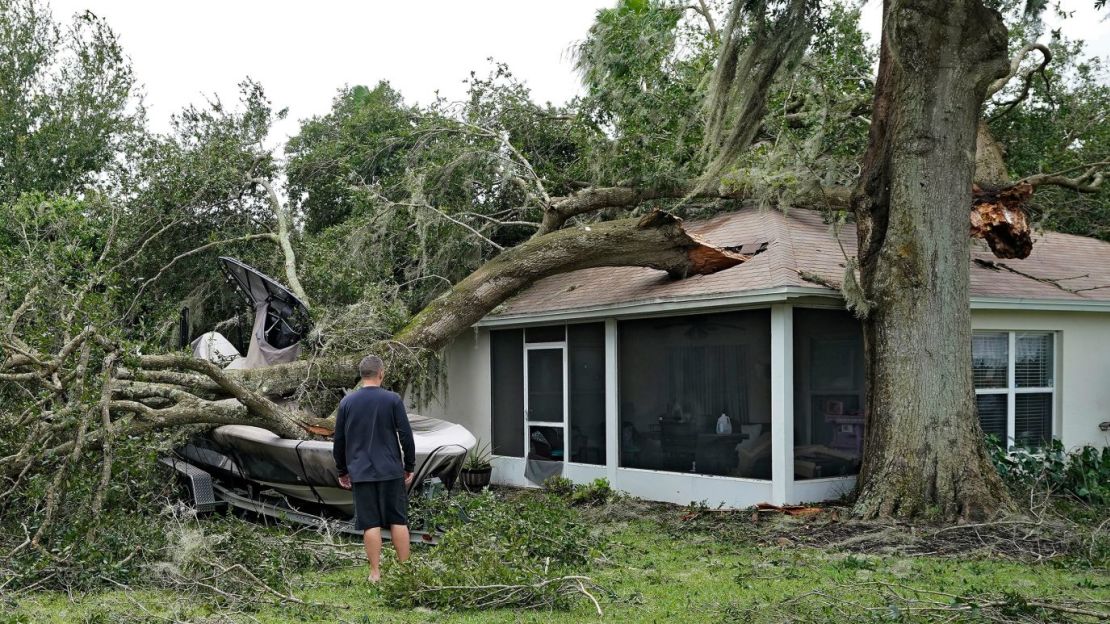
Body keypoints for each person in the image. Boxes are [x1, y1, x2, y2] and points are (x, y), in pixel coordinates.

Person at [333, 355, 416, 583]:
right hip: (390, 469)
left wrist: (342, 470)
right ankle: (405, 571)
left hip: (361, 471)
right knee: (398, 520)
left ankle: (375, 573)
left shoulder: (347, 403)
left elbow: (339, 440)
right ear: (381, 373)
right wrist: (409, 465)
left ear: (362, 376)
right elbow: (406, 436)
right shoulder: (392, 400)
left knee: (370, 523)